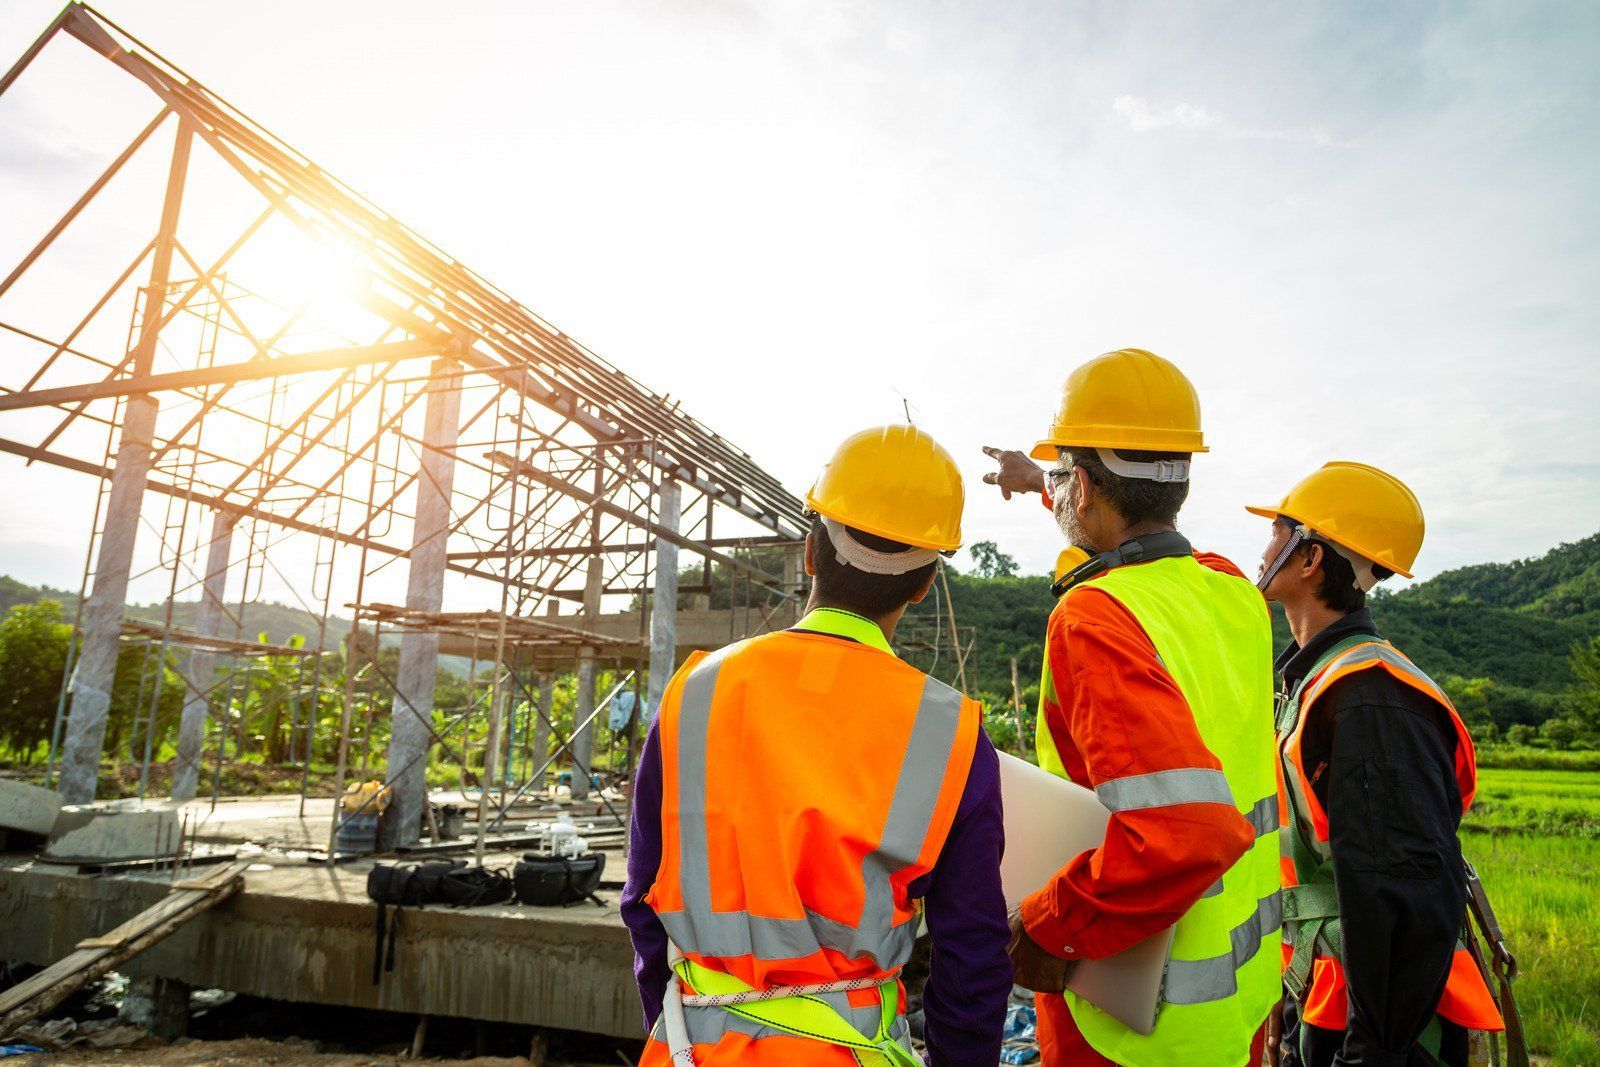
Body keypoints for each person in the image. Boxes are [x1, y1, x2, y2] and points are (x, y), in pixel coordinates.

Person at [623, 424, 1012, 1066]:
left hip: (689, 1051)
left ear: (810, 552)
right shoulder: (951, 732)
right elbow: (972, 953)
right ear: (922, 584)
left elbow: (642, 902)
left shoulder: (694, 693)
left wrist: (683, 1027)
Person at [983, 347, 1281, 1066]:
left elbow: (1183, 834)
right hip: (1238, 1012)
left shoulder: (1094, 620)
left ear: (1081, 488)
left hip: (1133, 1031)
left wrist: (1047, 928)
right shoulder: (1234, 593)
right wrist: (1044, 482)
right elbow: (1133, 561)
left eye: (1064, 481)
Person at [1249, 462, 1504, 1066]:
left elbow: (1405, 896)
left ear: (1309, 558)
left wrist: (1368, 1054)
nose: (1263, 551)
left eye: (1278, 531)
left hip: (1377, 1034)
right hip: (1325, 1002)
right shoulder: (1318, 679)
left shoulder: (1370, 698)